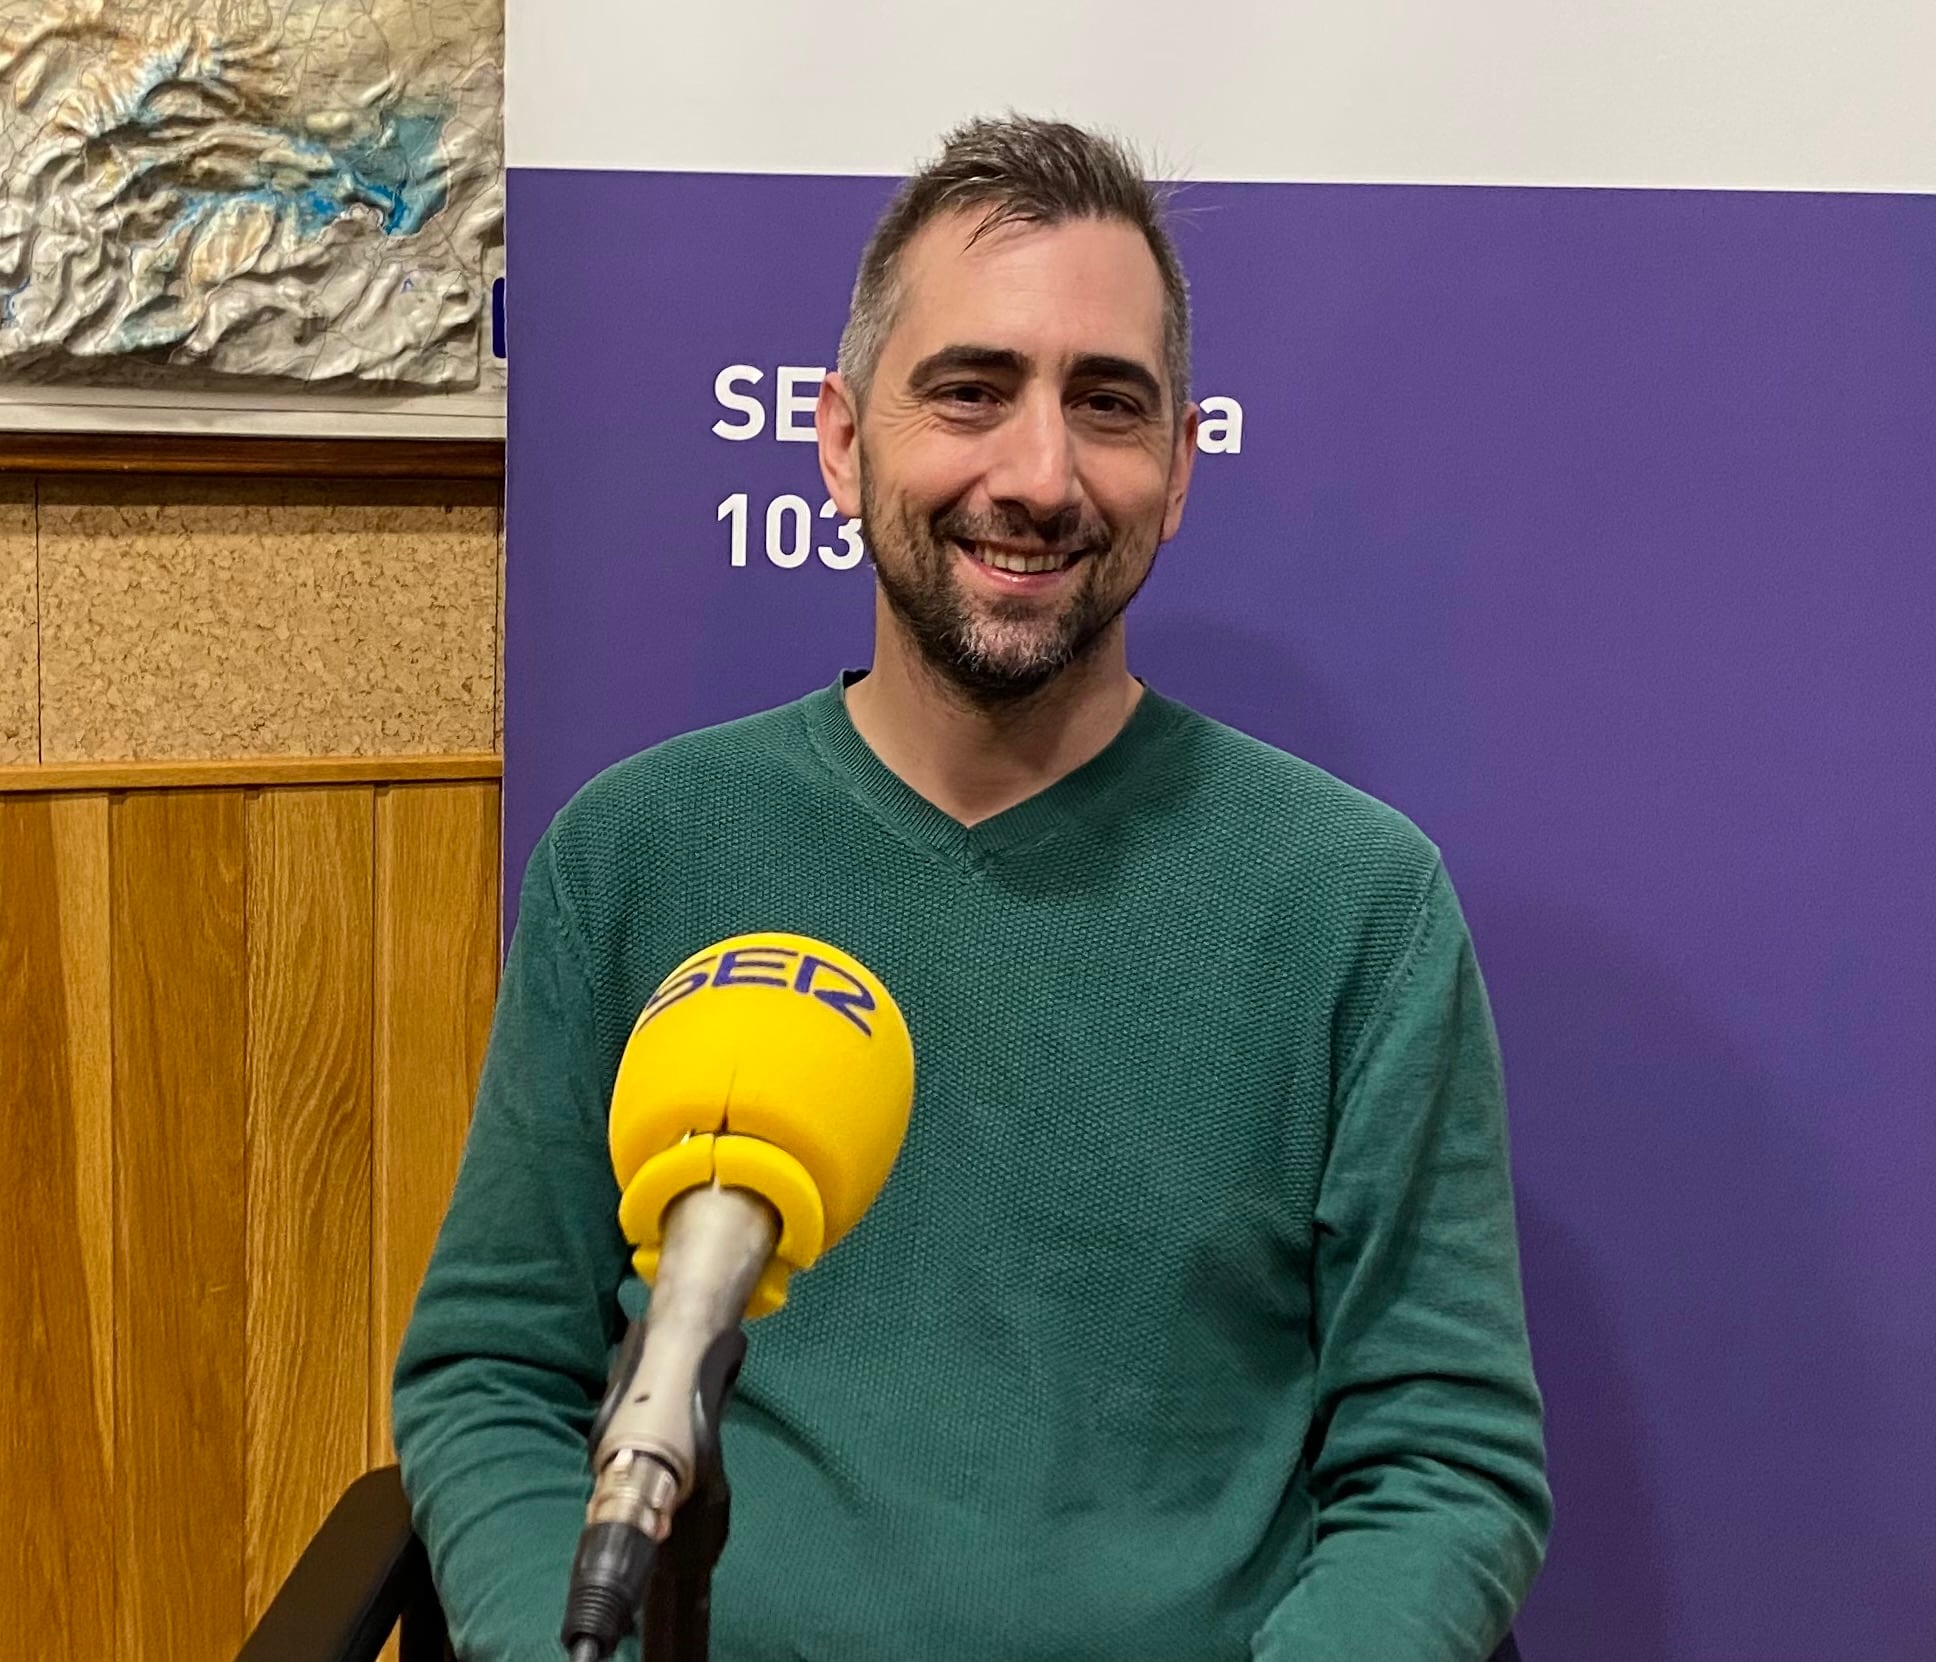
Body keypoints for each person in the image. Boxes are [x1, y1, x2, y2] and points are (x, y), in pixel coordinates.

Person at [393, 115, 1549, 1661]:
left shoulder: (1355, 906)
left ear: (1182, 467)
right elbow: (492, 1376)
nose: (1041, 472)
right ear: (840, 435)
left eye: (1109, 405)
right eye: (972, 391)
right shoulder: (638, 854)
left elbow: (1445, 1465)